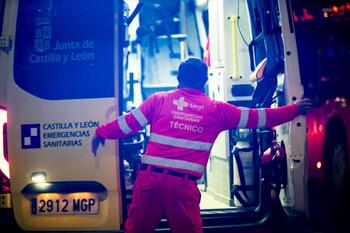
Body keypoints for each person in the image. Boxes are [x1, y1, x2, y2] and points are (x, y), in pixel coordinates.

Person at [91, 57, 311, 233]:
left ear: (178, 78)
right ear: (205, 81)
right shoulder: (217, 110)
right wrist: (296, 108)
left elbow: (128, 124)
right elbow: (260, 118)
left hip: (149, 182)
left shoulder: (158, 100)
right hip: (181, 187)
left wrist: (101, 132)